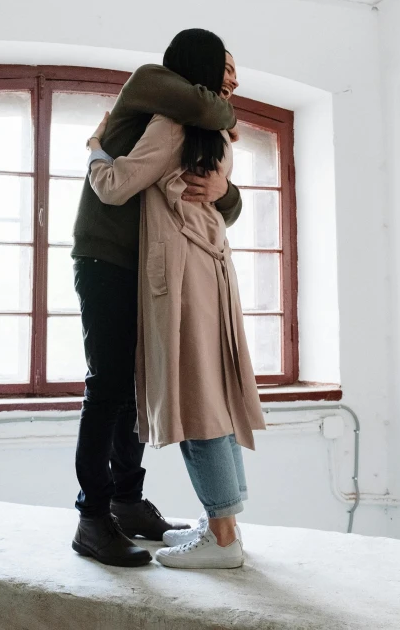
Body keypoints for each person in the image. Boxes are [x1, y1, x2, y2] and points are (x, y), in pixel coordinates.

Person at [87, 29, 266, 570]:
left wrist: (96, 150)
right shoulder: (220, 137)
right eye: (226, 68)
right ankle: (227, 527)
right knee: (214, 395)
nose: (234, 80)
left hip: (184, 274)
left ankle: (223, 538)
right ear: (202, 69)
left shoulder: (173, 123)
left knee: (196, 399)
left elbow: (116, 185)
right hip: (214, 271)